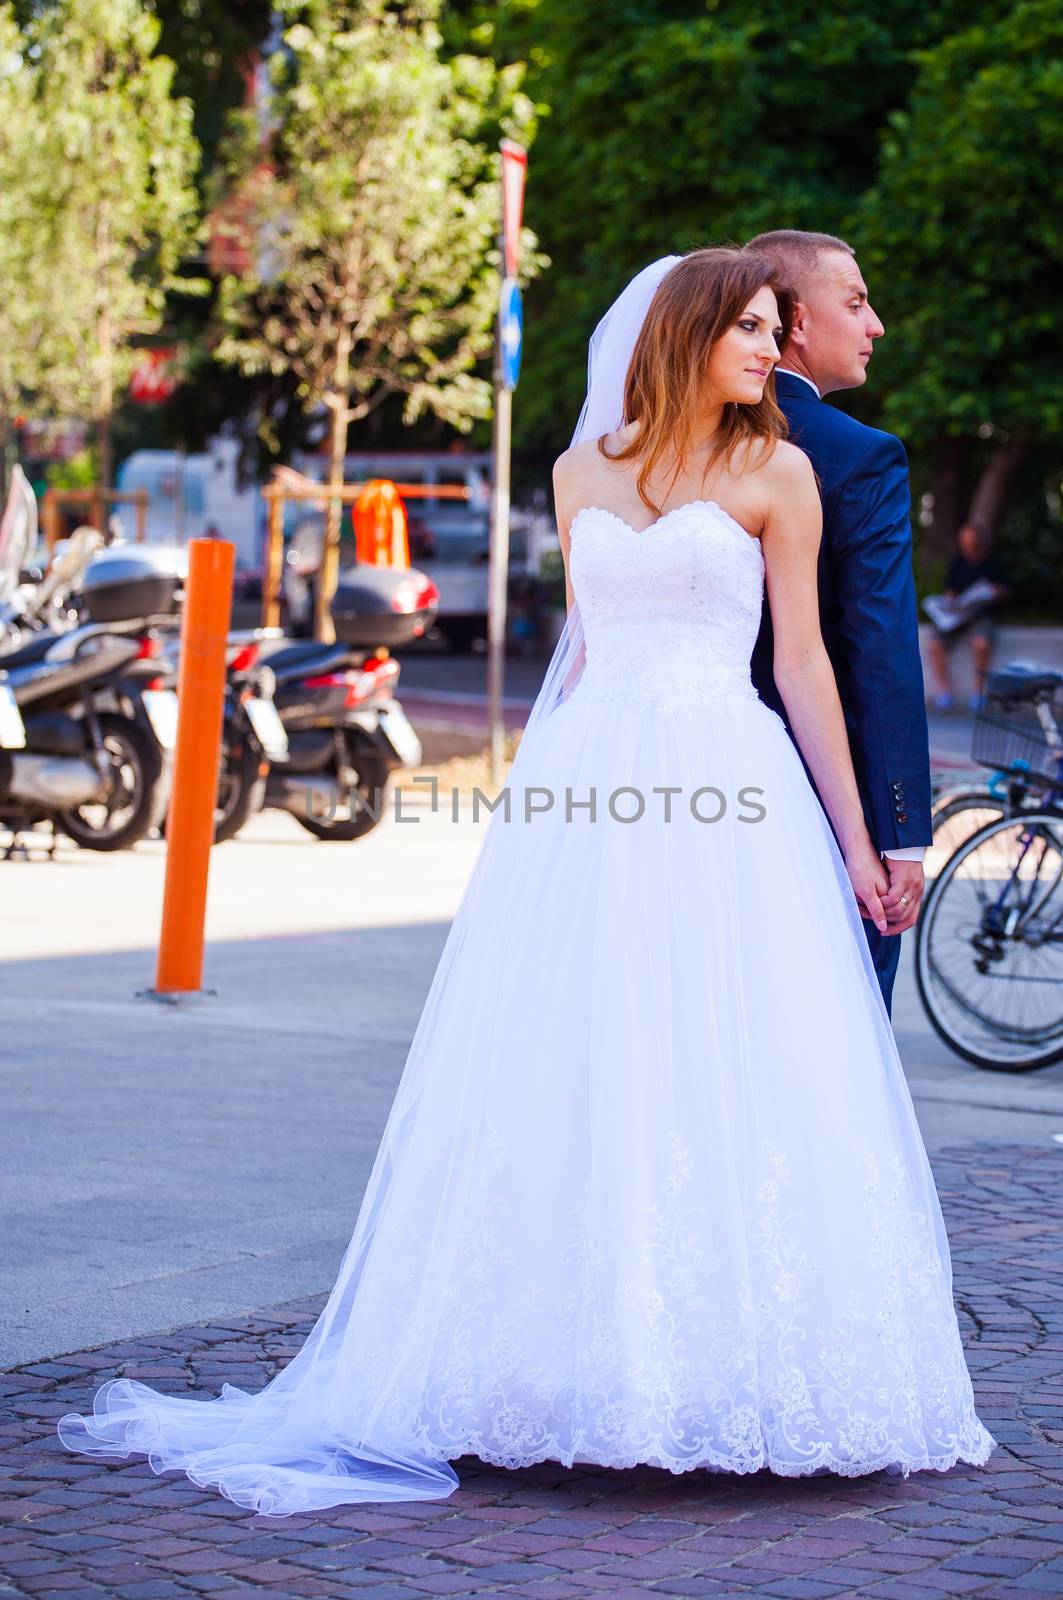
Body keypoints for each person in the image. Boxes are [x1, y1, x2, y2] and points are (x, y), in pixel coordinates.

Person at [56, 247, 995, 1515]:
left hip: (732, 780)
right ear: (690, 330)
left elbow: (812, 669)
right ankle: (563, 1364)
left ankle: (721, 1366)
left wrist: (852, 837)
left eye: (781, 330)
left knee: (735, 1059)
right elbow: (589, 656)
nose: (775, 351)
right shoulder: (577, 471)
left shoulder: (779, 471)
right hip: (596, 791)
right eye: (756, 330)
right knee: (582, 1057)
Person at [744, 230, 931, 1018]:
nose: (876, 324)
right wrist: (899, 836)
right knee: (833, 1045)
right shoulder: (857, 456)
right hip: (825, 805)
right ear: (795, 322)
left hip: (676, 791)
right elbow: (878, 649)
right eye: (855, 302)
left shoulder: (656, 448)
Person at [927, 522, 1012, 713]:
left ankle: (978, 694)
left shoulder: (995, 561)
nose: (968, 549)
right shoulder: (958, 561)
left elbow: (1006, 590)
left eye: (971, 545)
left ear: (980, 543)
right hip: (959, 615)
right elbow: (951, 590)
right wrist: (950, 601)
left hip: (984, 613)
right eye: (964, 545)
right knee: (935, 645)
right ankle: (944, 693)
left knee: (981, 644)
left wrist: (992, 592)